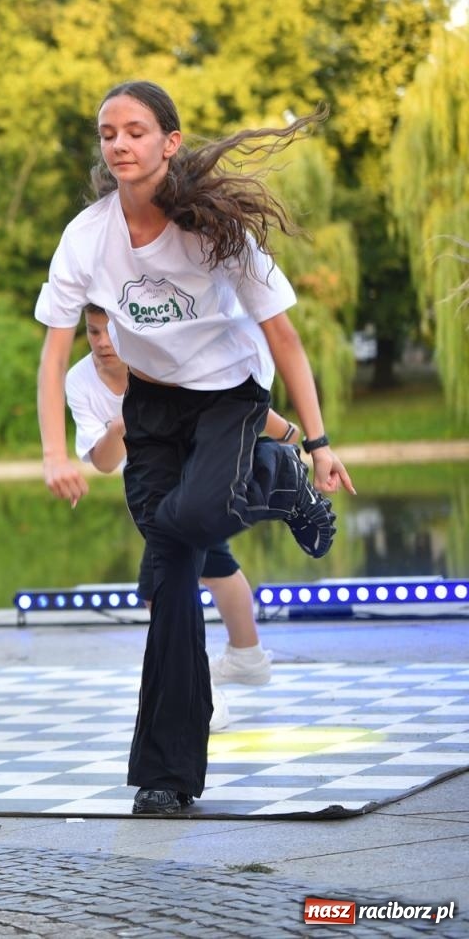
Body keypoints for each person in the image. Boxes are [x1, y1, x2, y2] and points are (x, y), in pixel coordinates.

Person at [36, 80, 355, 816]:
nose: (119, 144)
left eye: (135, 131)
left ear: (169, 142)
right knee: (172, 581)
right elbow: (53, 352)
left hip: (228, 399)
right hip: (151, 409)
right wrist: (55, 451)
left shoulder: (216, 230)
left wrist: (317, 442)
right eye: (108, 133)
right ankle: (167, 776)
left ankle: (279, 479)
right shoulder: (86, 237)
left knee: (188, 522)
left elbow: (284, 338)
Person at [67, 303, 284, 728]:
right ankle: (246, 656)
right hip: (153, 485)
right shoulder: (80, 380)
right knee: (213, 566)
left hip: (198, 474)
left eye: (111, 331)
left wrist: (300, 437)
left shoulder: (160, 353)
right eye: (93, 332)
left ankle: (203, 694)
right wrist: (123, 422)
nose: (103, 342)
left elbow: (235, 401)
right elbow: (105, 462)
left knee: (160, 584)